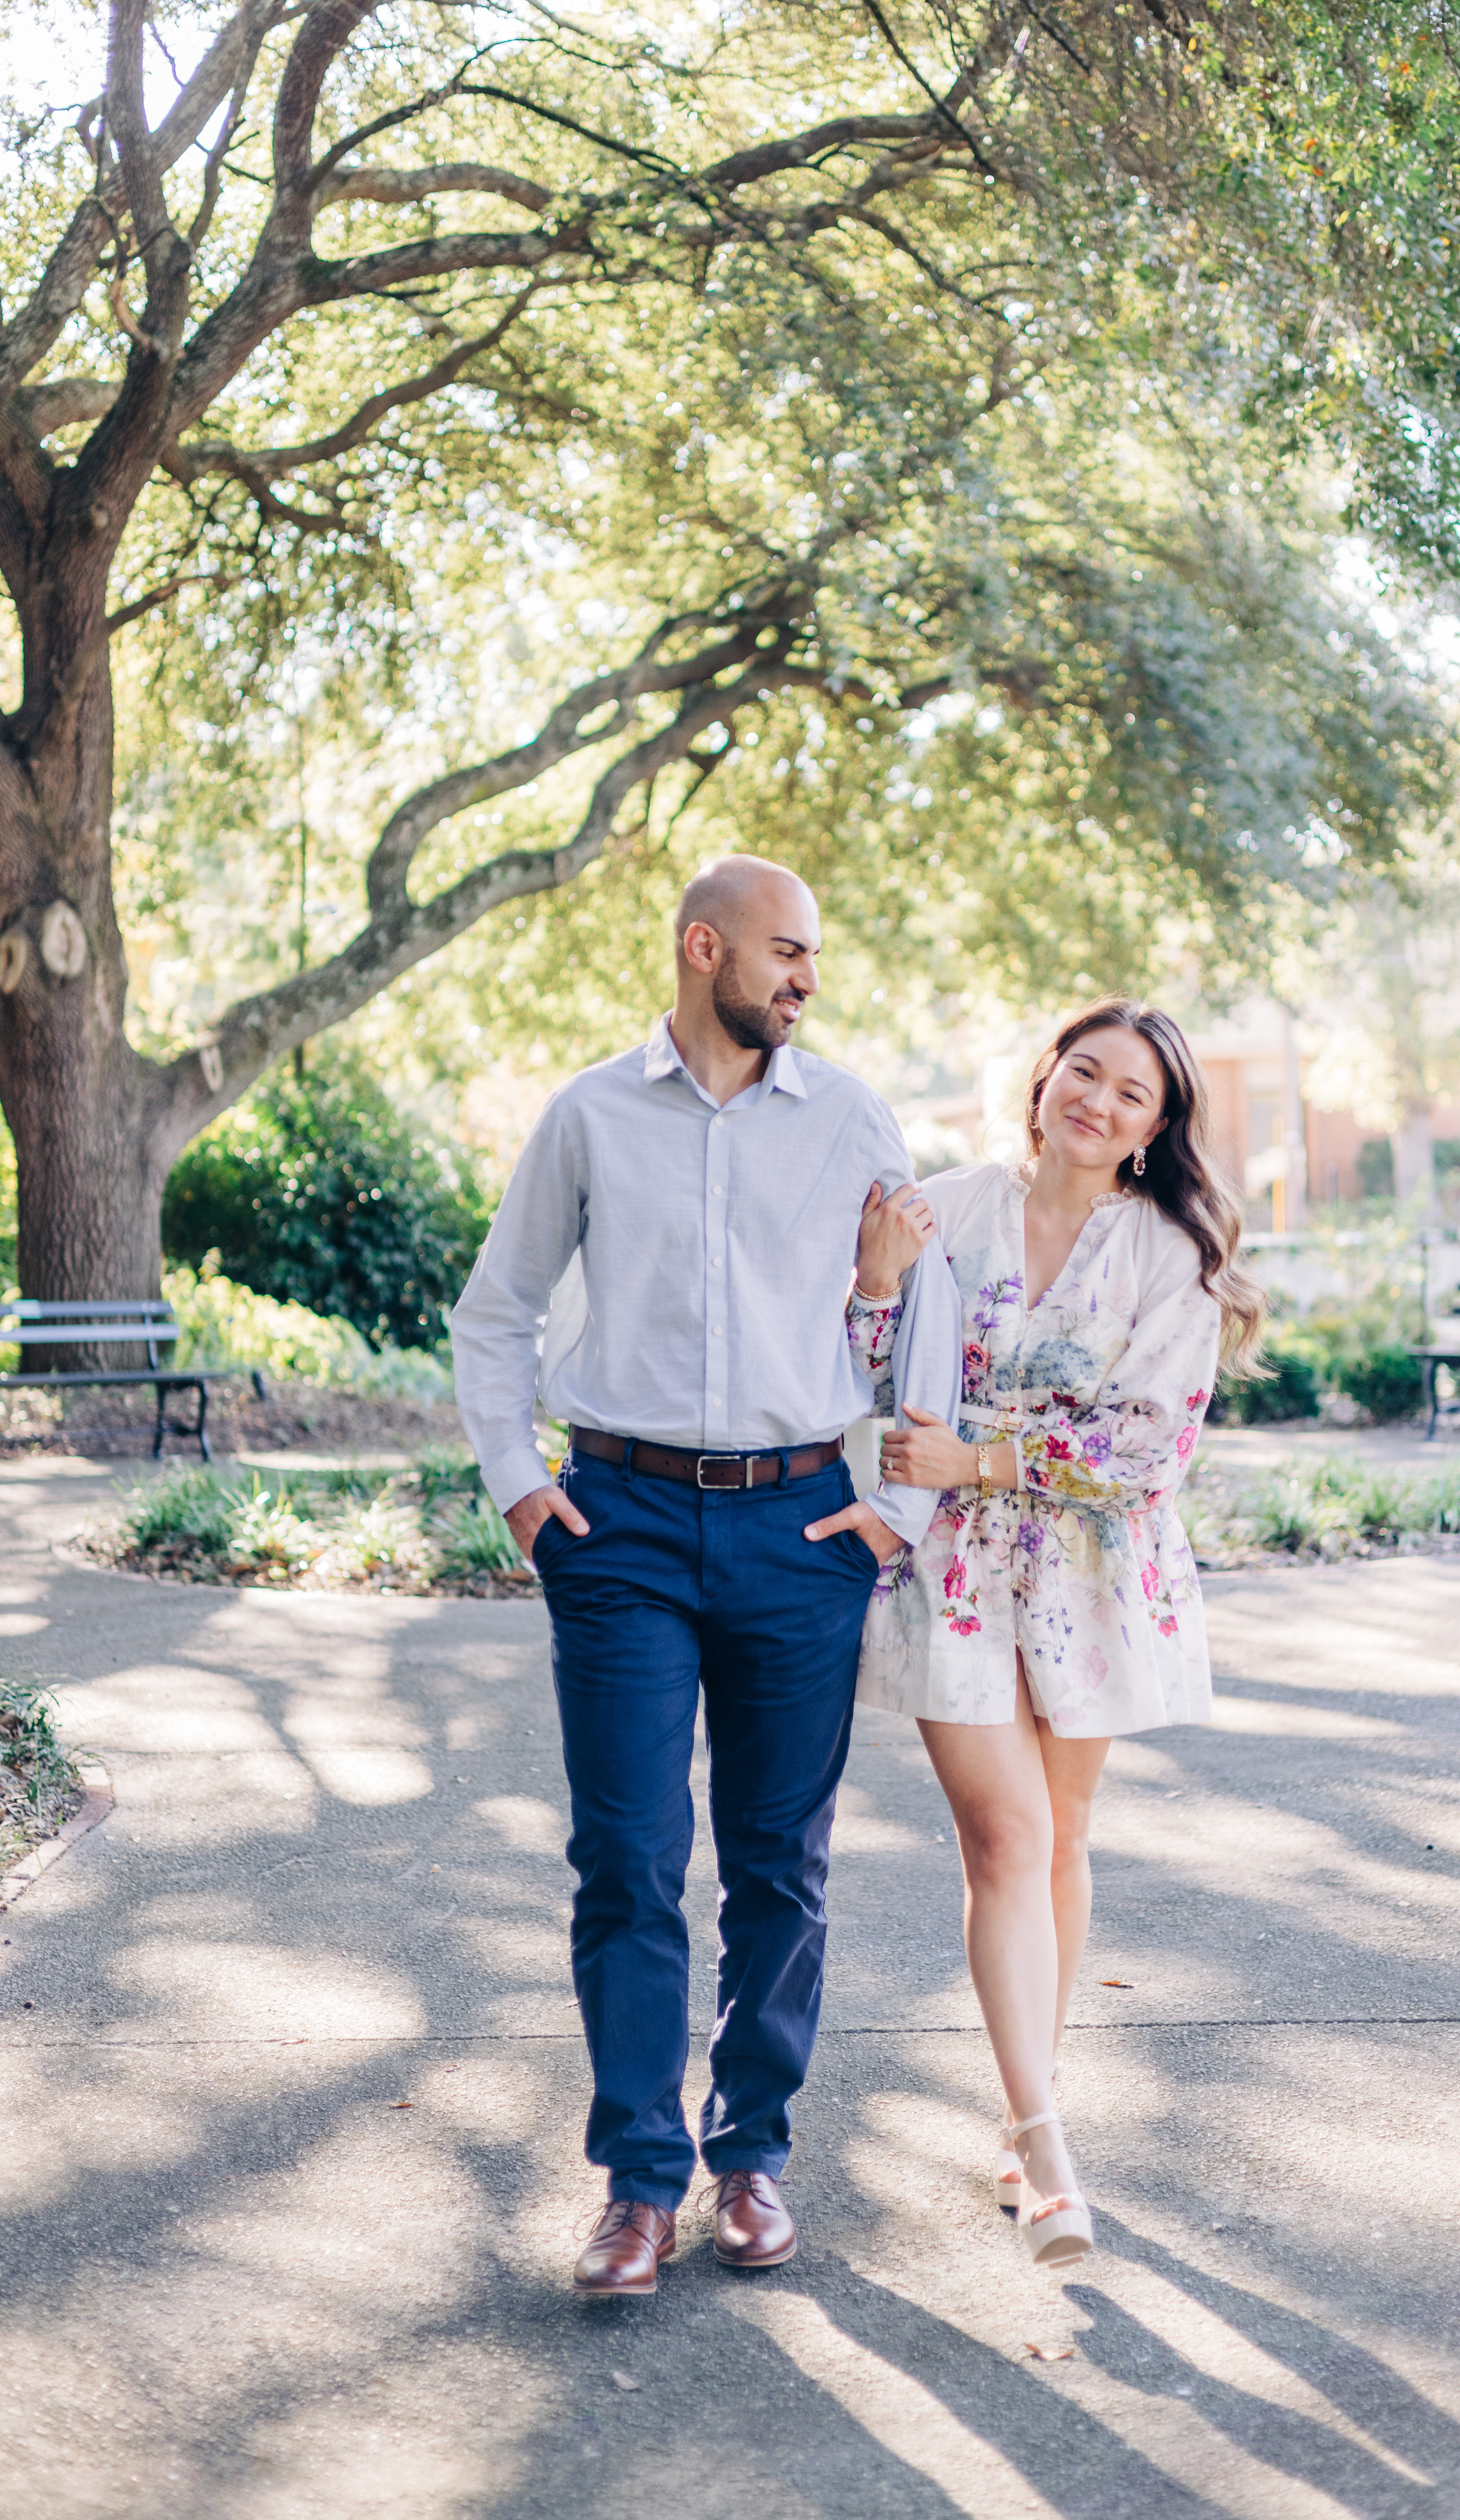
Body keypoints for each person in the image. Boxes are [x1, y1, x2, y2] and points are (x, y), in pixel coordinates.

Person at [450, 855, 962, 2297]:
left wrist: (891, 1512)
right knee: (622, 1858)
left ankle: (750, 2157)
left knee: (775, 1866)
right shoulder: (590, 1115)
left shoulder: (852, 1114)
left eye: (811, 958)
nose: (804, 978)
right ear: (702, 948)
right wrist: (520, 1486)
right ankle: (634, 2182)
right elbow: (495, 1313)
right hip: (617, 1525)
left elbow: (917, 1314)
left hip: (800, 1532)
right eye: (784, 952)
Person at [844, 996, 1265, 2266]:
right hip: (952, 1572)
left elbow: (1151, 1449)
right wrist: (873, 1285)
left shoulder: (1165, 1257)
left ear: (1153, 1128)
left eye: (1131, 1094)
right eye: (1083, 1073)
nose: (1098, 1102)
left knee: (1062, 1836)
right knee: (1004, 1833)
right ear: (1042, 1083)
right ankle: (1042, 2142)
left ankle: (1033, 2093)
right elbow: (863, 1377)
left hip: (1090, 1575)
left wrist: (984, 1453)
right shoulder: (945, 1210)